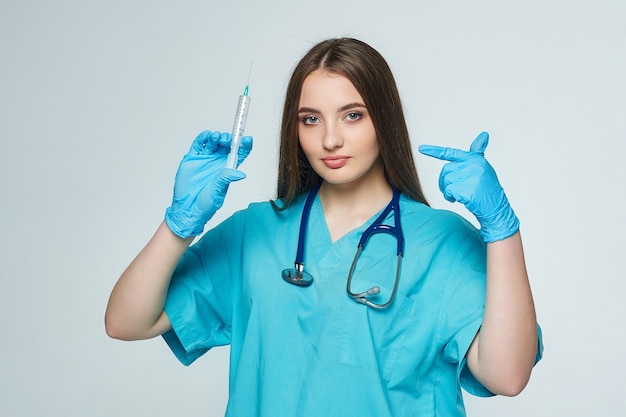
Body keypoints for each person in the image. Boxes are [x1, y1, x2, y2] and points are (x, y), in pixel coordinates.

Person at [105, 37, 542, 416]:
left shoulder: (441, 242)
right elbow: (126, 322)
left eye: (352, 115)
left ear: (383, 121)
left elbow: (507, 374)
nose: (329, 139)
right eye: (310, 119)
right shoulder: (255, 233)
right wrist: (179, 225)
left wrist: (502, 228)